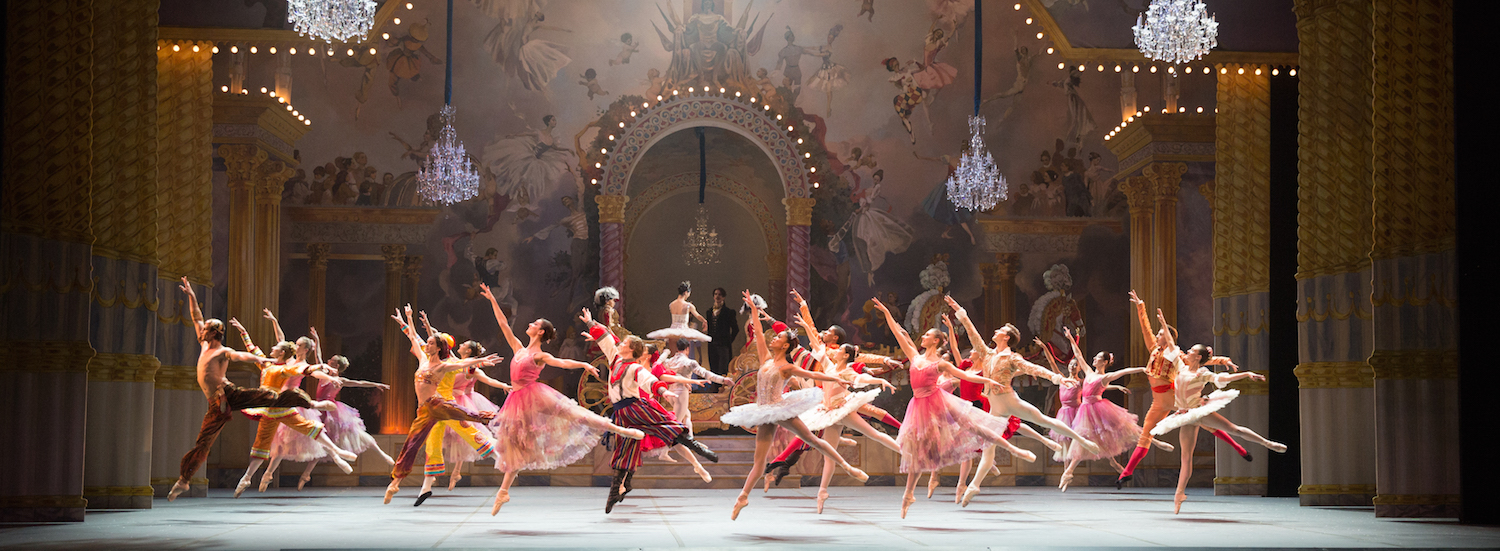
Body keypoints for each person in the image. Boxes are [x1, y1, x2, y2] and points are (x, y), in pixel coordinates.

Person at [479, 284, 644, 515]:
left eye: (534, 324)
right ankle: (503, 492)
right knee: (516, 445)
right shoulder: (518, 348)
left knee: (576, 415)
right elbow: (504, 324)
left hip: (534, 395)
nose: (529, 324)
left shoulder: (539, 355)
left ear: (540, 332)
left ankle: (619, 429)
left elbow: (562, 362)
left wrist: (583, 364)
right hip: (517, 400)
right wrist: (492, 300)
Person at [169, 277, 327, 501]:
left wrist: (266, 361)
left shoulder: (222, 351)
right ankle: (184, 480)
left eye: (206, 329)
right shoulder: (204, 343)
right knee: (204, 442)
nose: (201, 331)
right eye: (203, 328)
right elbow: (196, 317)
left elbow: (241, 355)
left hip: (226, 395)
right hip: (217, 402)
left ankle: (308, 402)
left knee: (268, 396)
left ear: (214, 333)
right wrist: (192, 296)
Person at [866, 296, 1018, 519]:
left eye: (927, 335)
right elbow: (899, 335)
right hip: (918, 406)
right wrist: (887, 313)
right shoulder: (914, 356)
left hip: (938, 401)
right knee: (918, 451)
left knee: (971, 425)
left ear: (936, 341)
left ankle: (1013, 449)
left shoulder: (942, 364)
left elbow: (965, 375)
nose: (923, 337)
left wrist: (989, 381)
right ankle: (908, 494)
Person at [722, 290, 868, 520]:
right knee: (759, 462)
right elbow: (759, 332)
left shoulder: (787, 367)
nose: (773, 338)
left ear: (785, 346)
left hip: (781, 409)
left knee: (813, 440)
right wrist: (753, 307)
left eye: (778, 338)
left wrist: (837, 378)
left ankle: (847, 467)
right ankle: (743, 496)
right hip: (764, 412)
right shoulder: (766, 359)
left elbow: (810, 372)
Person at [944, 295, 1098, 506]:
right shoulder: (987, 354)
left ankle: (1083, 441)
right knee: (989, 447)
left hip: (1008, 400)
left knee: (1045, 420)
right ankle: (974, 485)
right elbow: (972, 333)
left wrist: (1057, 377)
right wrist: (960, 311)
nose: (995, 332)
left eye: (1000, 331)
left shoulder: (1012, 358)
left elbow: (1034, 369)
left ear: (1006, 337)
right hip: (995, 409)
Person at [582, 310, 718, 513]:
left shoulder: (635, 368)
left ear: (630, 349)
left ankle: (698, 448)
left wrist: (664, 392)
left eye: (624, 344)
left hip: (634, 408)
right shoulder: (615, 359)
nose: (620, 345)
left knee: (666, 425)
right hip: (620, 414)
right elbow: (607, 340)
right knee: (623, 450)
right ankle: (616, 491)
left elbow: (651, 381)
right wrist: (591, 322)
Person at [383, 305, 505, 506]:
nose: (427, 345)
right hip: (427, 409)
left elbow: (464, 364)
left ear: (440, 347)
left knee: (470, 426)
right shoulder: (427, 358)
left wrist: (482, 361)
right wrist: (407, 320)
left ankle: (498, 452)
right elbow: (416, 338)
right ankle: (418, 486)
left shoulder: (448, 364)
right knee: (427, 444)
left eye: (432, 343)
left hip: (445, 403)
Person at [1154, 344, 1284, 513]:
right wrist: (1163, 323)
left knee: (1233, 429)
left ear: (1198, 357)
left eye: (1191, 351)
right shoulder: (1181, 366)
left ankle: (1267, 443)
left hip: (1198, 411)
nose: (1187, 352)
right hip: (1184, 416)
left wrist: (1246, 374)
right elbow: (1171, 344)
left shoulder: (1203, 373)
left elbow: (1224, 379)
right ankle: (1179, 495)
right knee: (1185, 457)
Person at [645, 281, 712, 352]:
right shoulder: (688, 305)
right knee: (684, 355)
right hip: (684, 331)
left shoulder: (671, 304)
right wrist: (704, 321)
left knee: (673, 355)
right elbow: (697, 315)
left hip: (673, 331)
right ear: (686, 292)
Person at [704, 287, 740, 388]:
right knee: (713, 367)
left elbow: (736, 329)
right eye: (715, 294)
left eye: (720, 294)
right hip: (712, 345)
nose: (717, 296)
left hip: (723, 345)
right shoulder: (709, 311)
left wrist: (728, 341)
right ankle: (714, 389)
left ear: (723, 297)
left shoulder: (728, 312)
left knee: (723, 368)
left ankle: (723, 389)